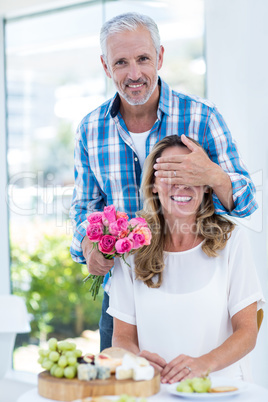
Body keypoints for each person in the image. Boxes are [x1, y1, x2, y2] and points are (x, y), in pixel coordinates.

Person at [69, 12, 258, 351]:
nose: (134, 73)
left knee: (195, 380)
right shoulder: (90, 129)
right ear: (105, 65)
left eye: (143, 58)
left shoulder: (202, 117)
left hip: (194, 288)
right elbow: (84, 208)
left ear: (160, 56)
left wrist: (212, 175)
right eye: (121, 62)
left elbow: (246, 202)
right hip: (124, 296)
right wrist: (88, 246)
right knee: (124, 387)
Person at [107, 135, 265, 383]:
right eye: (170, 175)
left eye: (191, 175)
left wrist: (204, 364)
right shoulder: (130, 248)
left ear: (206, 186)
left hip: (220, 391)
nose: (181, 185)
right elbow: (122, 337)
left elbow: (247, 332)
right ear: (153, 186)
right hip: (157, 392)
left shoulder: (232, 240)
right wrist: (138, 360)